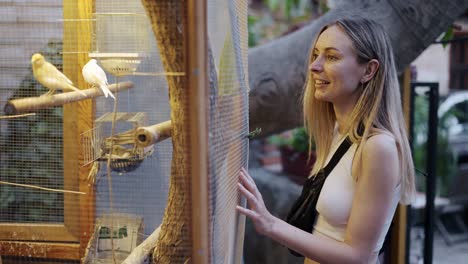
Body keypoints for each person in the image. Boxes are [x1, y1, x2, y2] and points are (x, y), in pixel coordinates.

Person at [237, 17, 415, 264]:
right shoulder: (338, 133)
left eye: (331, 57)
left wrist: (270, 223)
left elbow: (359, 256)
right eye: (316, 55)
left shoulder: (378, 147)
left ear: (369, 70)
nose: (314, 66)